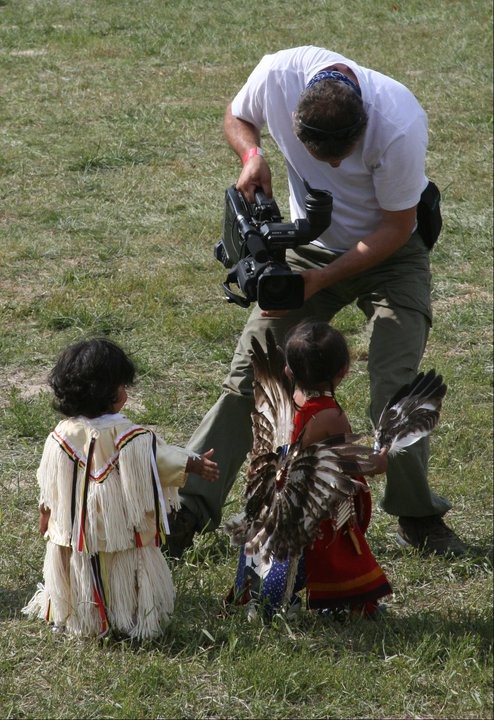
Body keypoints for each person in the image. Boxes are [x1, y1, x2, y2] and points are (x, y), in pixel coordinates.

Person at [168, 45, 465, 558]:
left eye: (340, 158)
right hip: (309, 248)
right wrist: (252, 155)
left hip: (391, 254)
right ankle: (188, 509)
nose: (329, 166)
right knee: (250, 376)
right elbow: (239, 115)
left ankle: (419, 516)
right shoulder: (278, 75)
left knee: (395, 387)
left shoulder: (398, 123)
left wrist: (322, 279)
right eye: (318, 156)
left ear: (363, 124)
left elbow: (397, 227)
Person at [22, 338, 218, 639]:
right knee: (125, 575)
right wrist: (191, 464)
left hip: (77, 532)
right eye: (122, 385)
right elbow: (156, 462)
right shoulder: (130, 437)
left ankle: (83, 618)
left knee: (82, 571)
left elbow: (50, 484)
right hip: (122, 532)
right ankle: (127, 618)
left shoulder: (60, 437)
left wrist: (46, 515)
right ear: (111, 393)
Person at [226, 320, 392, 621]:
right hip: (314, 504)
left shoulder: (292, 401)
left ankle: (268, 599)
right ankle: (338, 603)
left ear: (288, 371)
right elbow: (349, 462)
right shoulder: (331, 415)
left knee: (278, 550)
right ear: (343, 371)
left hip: (277, 493)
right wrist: (379, 461)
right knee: (336, 554)